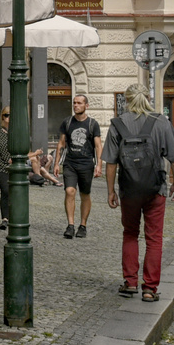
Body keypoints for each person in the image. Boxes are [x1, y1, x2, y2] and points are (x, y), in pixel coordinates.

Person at [105, 85, 174, 302]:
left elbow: (111, 163)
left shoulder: (117, 124)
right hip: (155, 189)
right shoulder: (161, 122)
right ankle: (150, 288)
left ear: (127, 100)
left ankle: (130, 282)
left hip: (128, 190)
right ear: (148, 98)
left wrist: (110, 190)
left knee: (130, 233)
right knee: (154, 238)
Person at [59, 94, 103, 239]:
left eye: (79, 103)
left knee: (85, 194)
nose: (76, 105)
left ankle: (82, 225)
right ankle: (70, 225)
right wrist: (57, 163)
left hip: (86, 164)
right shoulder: (67, 122)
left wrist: (99, 165)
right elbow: (61, 143)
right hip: (70, 163)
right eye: (74, 103)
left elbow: (98, 146)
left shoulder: (92, 124)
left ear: (86, 106)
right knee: (70, 191)